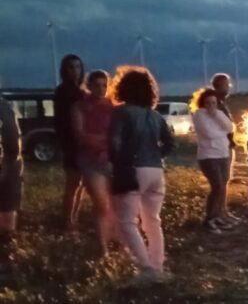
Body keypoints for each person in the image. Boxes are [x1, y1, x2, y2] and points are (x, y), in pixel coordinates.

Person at [108, 66, 175, 283]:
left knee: (127, 222)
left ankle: (145, 268)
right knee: (152, 221)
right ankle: (157, 266)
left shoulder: (121, 112)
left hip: (132, 168)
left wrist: (117, 162)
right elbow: (169, 142)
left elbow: (114, 142)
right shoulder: (155, 116)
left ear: (123, 88)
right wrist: (157, 154)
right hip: (156, 170)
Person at [72, 70, 115, 255]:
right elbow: (80, 135)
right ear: (88, 86)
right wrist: (103, 141)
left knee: (115, 203)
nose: (101, 89)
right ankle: (102, 247)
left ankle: (115, 240)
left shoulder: (112, 106)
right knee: (101, 203)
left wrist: (106, 147)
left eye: (104, 85)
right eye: (97, 85)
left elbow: (117, 133)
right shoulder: (79, 107)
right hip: (90, 160)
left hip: (110, 159)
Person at [191, 88, 236, 234]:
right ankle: (209, 218)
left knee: (222, 186)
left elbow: (230, 128)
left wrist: (216, 115)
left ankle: (217, 216)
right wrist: (221, 132)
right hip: (208, 156)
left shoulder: (218, 113)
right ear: (202, 103)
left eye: (213, 103)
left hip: (222, 154)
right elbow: (209, 134)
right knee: (217, 186)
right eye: (208, 103)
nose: (211, 105)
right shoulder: (199, 115)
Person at [54, 54, 86, 230]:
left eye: (77, 67)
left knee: (79, 185)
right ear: (64, 70)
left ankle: (74, 218)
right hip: (71, 143)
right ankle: (67, 220)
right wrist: (66, 144)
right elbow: (60, 121)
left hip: (83, 143)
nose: (75, 70)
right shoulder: (62, 92)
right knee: (73, 183)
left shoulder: (81, 92)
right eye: (71, 67)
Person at [209, 73, 240, 224]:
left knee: (224, 181)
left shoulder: (221, 102)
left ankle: (222, 211)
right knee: (220, 183)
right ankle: (216, 214)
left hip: (226, 145)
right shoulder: (215, 103)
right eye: (225, 84)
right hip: (220, 148)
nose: (228, 87)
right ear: (217, 85)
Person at [0, 95, 22, 239]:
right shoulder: (4, 107)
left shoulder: (3, 107)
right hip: (4, 164)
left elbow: (12, 141)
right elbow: (13, 140)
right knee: (6, 204)